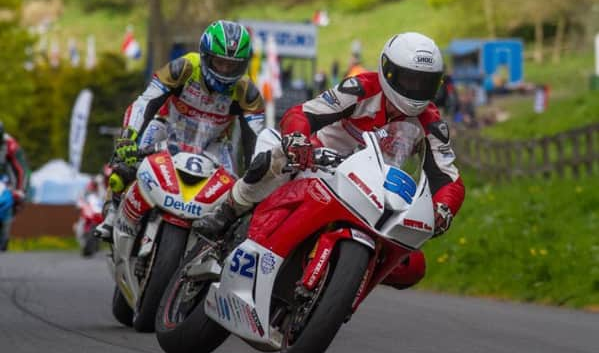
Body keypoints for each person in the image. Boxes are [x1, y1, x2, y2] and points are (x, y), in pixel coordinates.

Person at [199, 32, 466, 290]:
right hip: (320, 162)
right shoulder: (361, 88)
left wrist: (443, 209)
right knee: (276, 159)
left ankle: (346, 288)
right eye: (409, 80)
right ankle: (228, 211)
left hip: (375, 192)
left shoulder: (431, 123)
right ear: (389, 71)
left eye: (424, 83)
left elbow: (449, 178)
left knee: (413, 267)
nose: (415, 89)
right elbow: (303, 113)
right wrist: (297, 139)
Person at [94, 20, 265, 242]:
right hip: (167, 128)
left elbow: (256, 140)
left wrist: (257, 175)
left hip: (213, 143)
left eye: (232, 65)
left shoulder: (247, 92)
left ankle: (215, 247)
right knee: (126, 163)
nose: (224, 70)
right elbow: (146, 101)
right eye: (219, 62)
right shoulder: (184, 67)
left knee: (235, 192)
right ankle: (111, 212)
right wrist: (128, 137)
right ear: (205, 56)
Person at [0, 121, 29, 251]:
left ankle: (3, 237)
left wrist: (20, 190)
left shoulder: (11, 145)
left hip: (6, 182)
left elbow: (22, 170)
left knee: (10, 201)